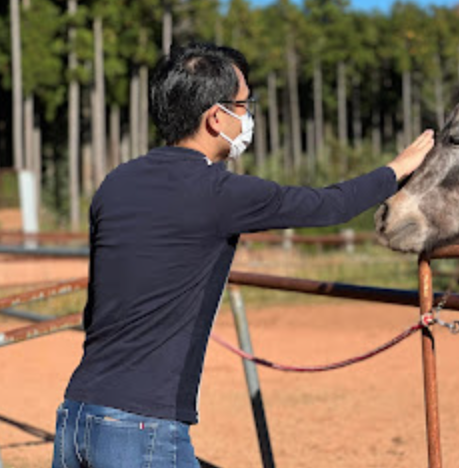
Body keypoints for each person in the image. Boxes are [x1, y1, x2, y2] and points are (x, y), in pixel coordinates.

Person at [52, 42, 434, 467]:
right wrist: (397, 168)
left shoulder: (116, 184)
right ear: (216, 117)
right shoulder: (218, 191)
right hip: (143, 428)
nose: (248, 116)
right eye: (244, 104)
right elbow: (330, 205)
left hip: (76, 417)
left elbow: (97, 307)